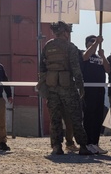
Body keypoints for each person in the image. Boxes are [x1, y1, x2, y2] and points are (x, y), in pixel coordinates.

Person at [38, 21, 90, 155]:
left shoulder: (47, 46)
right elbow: (76, 69)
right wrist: (81, 86)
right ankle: (83, 146)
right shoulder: (70, 47)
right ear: (65, 32)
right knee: (75, 117)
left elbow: (42, 68)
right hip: (67, 87)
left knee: (55, 118)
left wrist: (45, 83)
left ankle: (56, 146)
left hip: (51, 87)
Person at [80, 34, 108, 153]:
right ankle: (87, 143)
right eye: (91, 41)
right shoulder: (82, 54)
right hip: (88, 90)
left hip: (100, 90)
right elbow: (85, 57)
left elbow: (108, 70)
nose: (94, 43)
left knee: (98, 116)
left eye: (95, 41)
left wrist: (103, 56)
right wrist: (96, 42)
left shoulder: (99, 57)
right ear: (87, 43)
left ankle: (95, 143)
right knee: (88, 116)